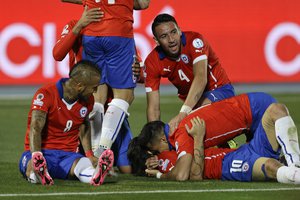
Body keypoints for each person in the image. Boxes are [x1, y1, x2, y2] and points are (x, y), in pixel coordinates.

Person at [53, 4, 143, 174]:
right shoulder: (76, 24)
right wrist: (80, 24)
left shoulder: (114, 31)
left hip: (112, 108)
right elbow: (58, 54)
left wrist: (140, 71)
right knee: (77, 162)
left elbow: (138, 71)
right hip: (86, 106)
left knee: (127, 168)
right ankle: (97, 155)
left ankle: (99, 155)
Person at [128, 92, 300, 181]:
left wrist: (157, 173)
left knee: (277, 110)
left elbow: (184, 174)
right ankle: (293, 172)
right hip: (232, 160)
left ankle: (295, 165)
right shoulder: (167, 155)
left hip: (238, 150)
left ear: (161, 140)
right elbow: (191, 176)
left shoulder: (181, 136)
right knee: (271, 165)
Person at [19, 60, 114, 186]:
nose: (95, 92)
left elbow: (84, 126)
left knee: (84, 163)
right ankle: (38, 170)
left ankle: (94, 176)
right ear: (80, 86)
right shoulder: (46, 93)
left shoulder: (88, 100)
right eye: (94, 88)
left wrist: (89, 155)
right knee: (32, 165)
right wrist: (36, 153)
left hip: (68, 155)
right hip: (42, 152)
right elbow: (35, 126)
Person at [144, 13, 235, 133]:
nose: (171, 39)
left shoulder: (195, 41)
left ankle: (225, 138)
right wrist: (154, 138)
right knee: (170, 131)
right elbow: (153, 108)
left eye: (173, 32)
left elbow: (201, 78)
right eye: (164, 36)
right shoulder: (152, 61)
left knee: (192, 118)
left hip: (220, 90)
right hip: (193, 103)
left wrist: (183, 113)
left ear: (180, 31)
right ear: (156, 41)